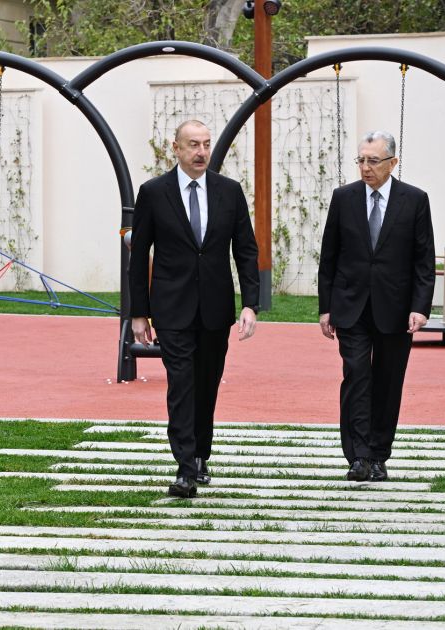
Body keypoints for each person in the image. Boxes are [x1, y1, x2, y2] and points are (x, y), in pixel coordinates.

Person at [129, 120, 260, 498]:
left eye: (205, 145)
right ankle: (185, 467)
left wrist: (250, 304)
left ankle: (200, 454)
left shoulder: (229, 192)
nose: (201, 152)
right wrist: (139, 313)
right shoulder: (153, 193)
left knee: (206, 384)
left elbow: (246, 250)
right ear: (176, 148)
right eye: (193, 145)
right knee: (182, 385)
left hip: (216, 308)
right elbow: (139, 259)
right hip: (172, 309)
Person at [317, 130, 435, 483]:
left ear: (392, 163)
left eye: (373, 161)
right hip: (351, 306)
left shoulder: (414, 200)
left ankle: (379, 454)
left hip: (396, 308)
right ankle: (358, 455)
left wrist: (420, 307)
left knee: (387, 380)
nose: (366, 168)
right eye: (362, 160)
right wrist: (326, 308)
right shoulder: (344, 198)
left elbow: (423, 261)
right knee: (356, 376)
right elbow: (330, 256)